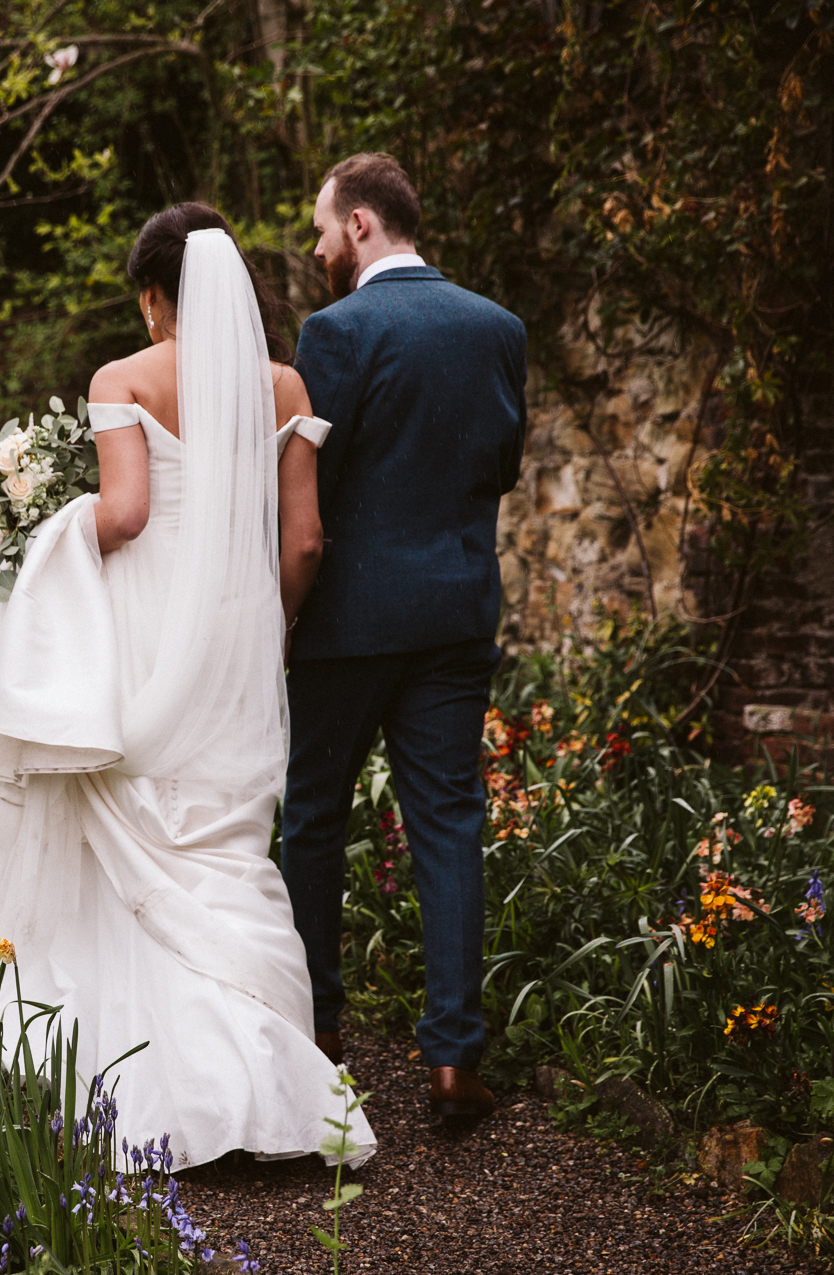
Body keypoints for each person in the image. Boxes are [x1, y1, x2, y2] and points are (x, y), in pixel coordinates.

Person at [0, 203, 375, 1168]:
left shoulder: (122, 377)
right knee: (225, 845)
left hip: (142, 638)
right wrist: (275, 626)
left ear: (153, 297)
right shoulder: (283, 384)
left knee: (119, 836)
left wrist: (29, 533)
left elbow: (124, 515)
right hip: (236, 649)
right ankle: (264, 1092)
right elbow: (304, 540)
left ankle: (126, 1087)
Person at [283, 152, 528, 1119]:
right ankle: (454, 1062)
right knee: (449, 824)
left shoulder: (334, 333)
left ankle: (318, 1030)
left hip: (348, 622)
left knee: (314, 820)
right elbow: (500, 468)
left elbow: (308, 489)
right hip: (456, 615)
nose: (315, 247)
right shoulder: (498, 329)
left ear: (359, 227)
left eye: (320, 228)